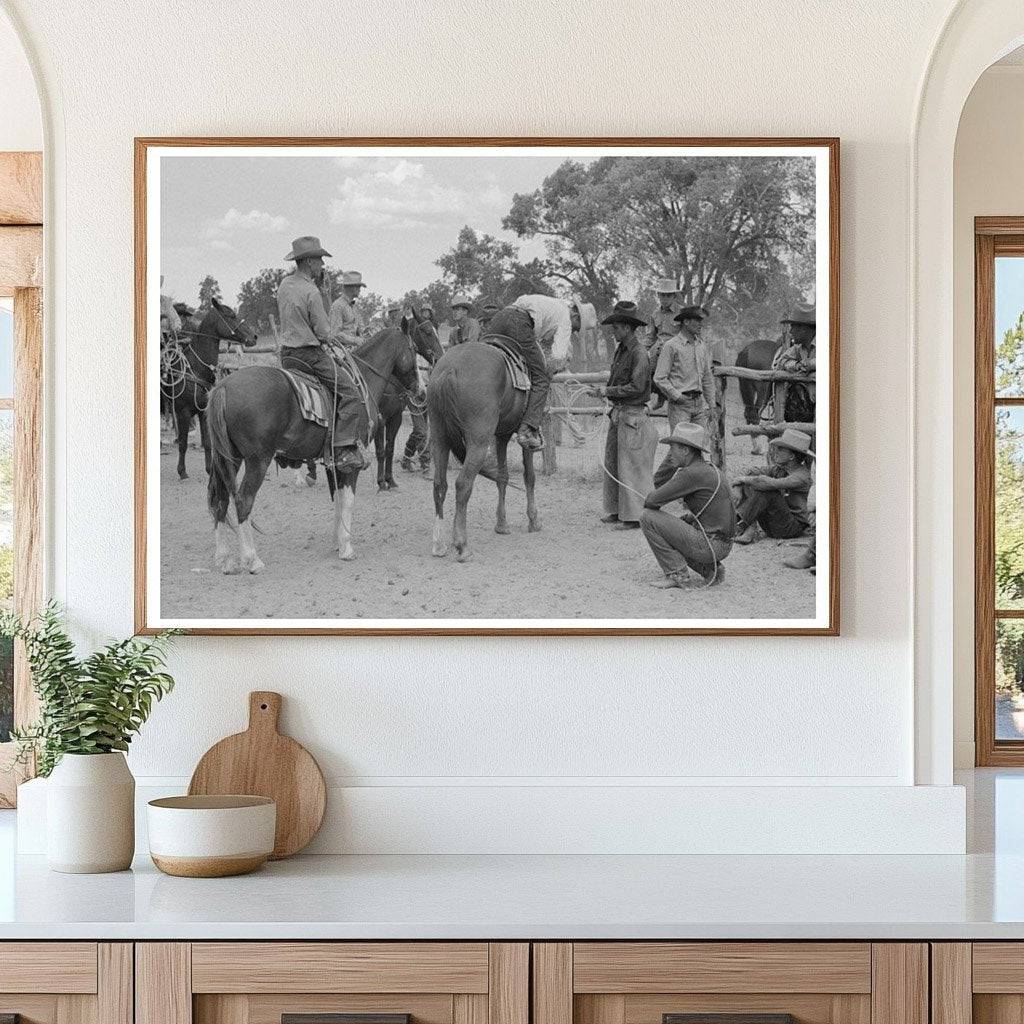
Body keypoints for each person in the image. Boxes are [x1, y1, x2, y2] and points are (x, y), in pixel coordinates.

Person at [276, 235, 368, 473]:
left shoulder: (285, 285)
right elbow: (324, 332)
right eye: (319, 260)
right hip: (310, 355)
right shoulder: (311, 291)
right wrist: (332, 339)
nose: (322, 265)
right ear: (308, 262)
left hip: (287, 355)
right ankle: (344, 449)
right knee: (350, 393)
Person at [640, 423, 735, 589]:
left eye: (673, 448)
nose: (670, 455)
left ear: (685, 450)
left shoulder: (690, 473)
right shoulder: (709, 468)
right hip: (723, 545)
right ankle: (710, 569)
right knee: (681, 522)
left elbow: (652, 501)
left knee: (648, 517)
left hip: (711, 545)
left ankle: (677, 574)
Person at [483, 294, 580, 450]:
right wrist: (549, 369)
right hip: (520, 323)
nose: (574, 330)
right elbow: (558, 356)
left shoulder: (551, 304)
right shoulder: (565, 319)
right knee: (542, 378)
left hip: (500, 317)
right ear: (575, 315)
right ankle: (527, 430)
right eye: (577, 326)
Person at [592, 301, 656, 529]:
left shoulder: (639, 353)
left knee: (631, 467)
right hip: (618, 414)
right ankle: (616, 509)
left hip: (632, 415)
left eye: (617, 328)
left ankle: (635, 516)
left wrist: (607, 391)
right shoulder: (621, 351)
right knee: (613, 463)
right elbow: (618, 382)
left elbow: (638, 387)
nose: (614, 332)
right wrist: (603, 392)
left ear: (628, 328)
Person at [732, 428, 814, 545]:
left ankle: (740, 525)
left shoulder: (802, 476)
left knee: (767, 490)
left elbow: (768, 483)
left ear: (792, 456)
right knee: (757, 482)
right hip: (774, 524)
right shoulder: (779, 469)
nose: (775, 451)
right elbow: (751, 471)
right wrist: (739, 487)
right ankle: (748, 526)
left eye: (780, 449)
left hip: (792, 527)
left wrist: (742, 480)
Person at [653, 305, 716, 431]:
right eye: (697, 320)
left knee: (698, 445)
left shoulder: (701, 346)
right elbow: (659, 378)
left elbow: (707, 377)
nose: (700, 324)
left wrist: (712, 405)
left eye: (701, 321)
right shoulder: (671, 346)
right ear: (686, 322)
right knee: (680, 445)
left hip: (698, 404)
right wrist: (677, 396)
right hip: (680, 405)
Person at [329, 270, 368, 349]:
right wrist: (355, 340)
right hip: (340, 351)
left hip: (353, 349)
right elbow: (335, 334)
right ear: (351, 287)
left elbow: (360, 328)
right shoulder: (338, 306)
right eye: (358, 286)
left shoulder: (354, 307)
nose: (360, 289)